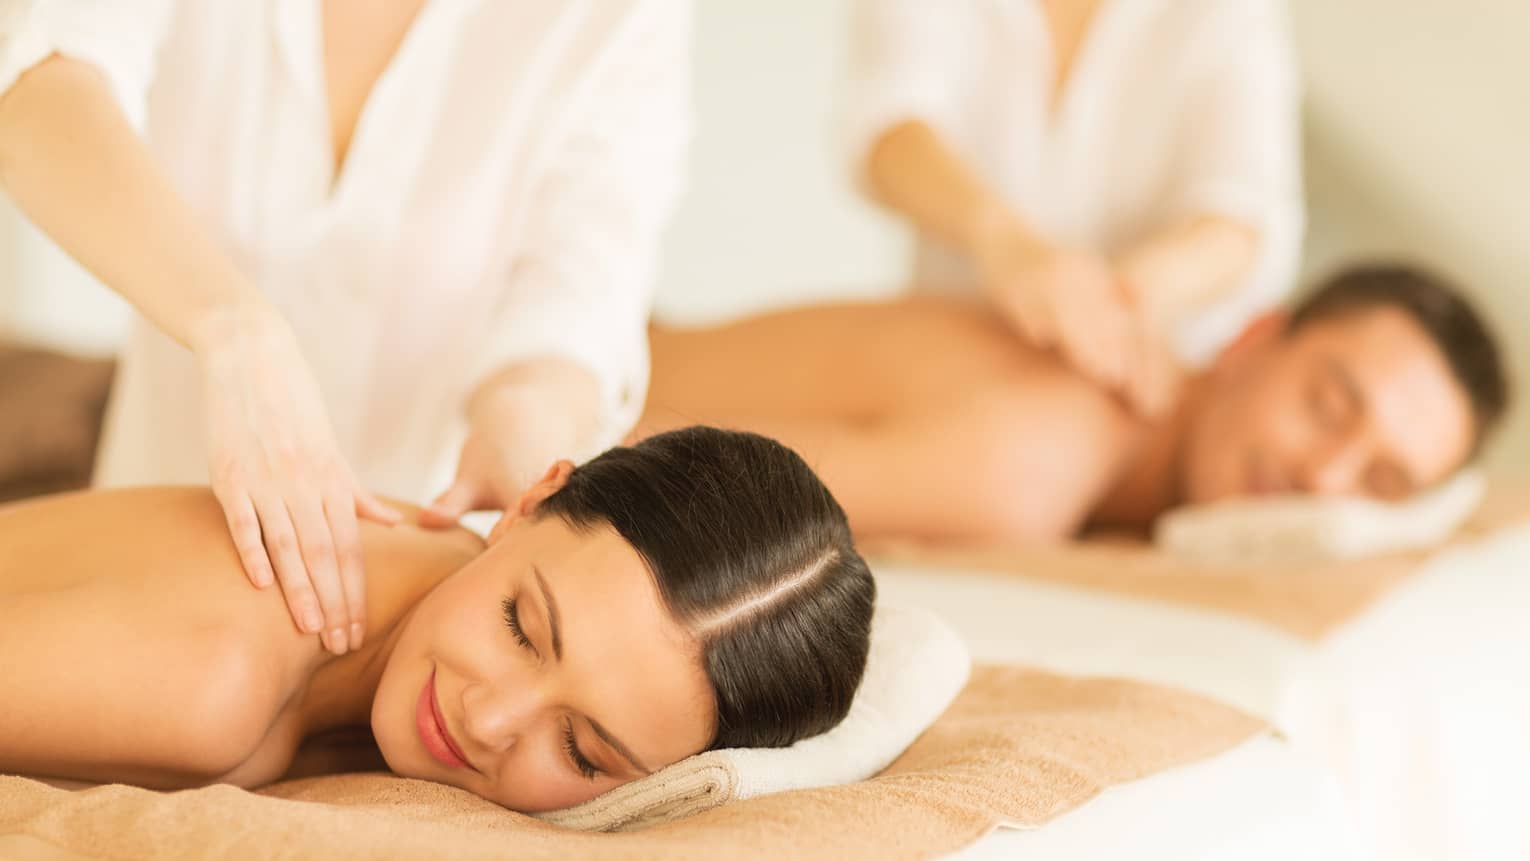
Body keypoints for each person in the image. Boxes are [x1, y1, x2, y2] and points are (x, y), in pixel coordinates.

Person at [0, 1, 689, 656]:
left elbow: (574, 302)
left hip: (408, 616)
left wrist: (526, 436)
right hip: (137, 542)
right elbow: (40, 80)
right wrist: (235, 333)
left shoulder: (620, 18)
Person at [0, 427, 876, 813]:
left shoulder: (441, 559)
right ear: (529, 497)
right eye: (521, 627)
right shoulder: (213, 682)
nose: (487, 721)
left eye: (582, 751)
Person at [638, 266, 1510, 544]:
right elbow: (641, 466)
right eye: (1327, 404)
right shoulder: (1036, 460)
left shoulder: (1123, 492)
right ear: (1251, 340)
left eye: (1382, 480)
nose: (1326, 477)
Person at [844, 0, 1302, 415]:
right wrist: (1005, 243)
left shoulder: (1232, 14)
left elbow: (1245, 215)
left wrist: (1132, 294)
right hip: (946, 367)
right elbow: (890, 128)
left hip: (1131, 402)